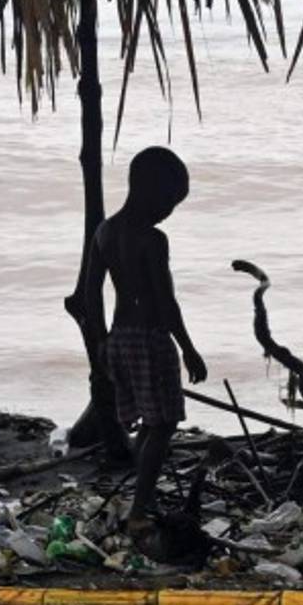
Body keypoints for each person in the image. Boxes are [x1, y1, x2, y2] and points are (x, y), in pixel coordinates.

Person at [84, 147, 207, 530]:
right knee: (164, 424)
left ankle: (144, 494)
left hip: (119, 338)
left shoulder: (104, 231)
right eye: (170, 202)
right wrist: (188, 348)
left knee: (149, 423)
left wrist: (101, 341)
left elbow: (90, 295)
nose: (169, 212)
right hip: (150, 339)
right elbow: (165, 302)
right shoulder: (153, 240)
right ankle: (140, 508)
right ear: (149, 191)